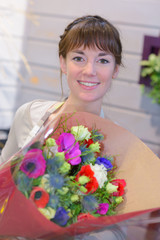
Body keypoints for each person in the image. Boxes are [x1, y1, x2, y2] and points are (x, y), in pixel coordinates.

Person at [1, 15, 157, 240]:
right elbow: (3, 183)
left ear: (115, 69)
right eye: (78, 58)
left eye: (103, 60)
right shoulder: (29, 115)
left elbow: (117, 232)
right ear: (63, 63)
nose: (89, 70)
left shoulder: (123, 148)